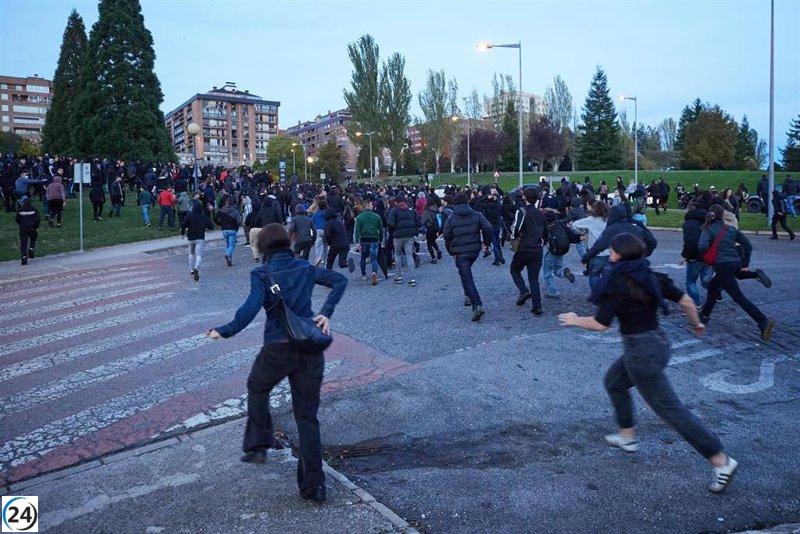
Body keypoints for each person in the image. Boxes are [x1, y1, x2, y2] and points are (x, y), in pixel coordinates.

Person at [558, 232, 738, 494]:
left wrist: (575, 319)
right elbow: (686, 301)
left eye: (612, 251)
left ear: (619, 255)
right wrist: (696, 323)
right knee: (614, 382)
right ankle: (627, 436)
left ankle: (720, 460)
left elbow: (600, 324)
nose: (610, 254)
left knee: (671, 410)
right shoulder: (651, 275)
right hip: (658, 343)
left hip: (641, 353)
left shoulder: (617, 283)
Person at [205, 224, 347, 504]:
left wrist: (225, 330)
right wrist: (326, 313)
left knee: (257, 386)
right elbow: (339, 280)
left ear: (263, 248)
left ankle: (260, 441)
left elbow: (249, 308)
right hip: (309, 348)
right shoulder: (304, 267)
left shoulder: (262, 273)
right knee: (307, 418)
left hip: (277, 348)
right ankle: (314, 486)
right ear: (288, 242)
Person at [699, 204, 775, 341]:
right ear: (722, 215)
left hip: (722, 265)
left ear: (710, 215)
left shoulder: (708, 228)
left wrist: (708, 255)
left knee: (738, 297)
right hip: (735, 262)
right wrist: (745, 264)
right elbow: (748, 245)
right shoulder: (730, 228)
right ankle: (704, 316)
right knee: (713, 287)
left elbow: (702, 245)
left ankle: (763, 321)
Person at [442, 193, 493, 321]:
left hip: (460, 251)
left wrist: (451, 251)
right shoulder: (477, 215)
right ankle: (468, 296)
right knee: (465, 274)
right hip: (474, 250)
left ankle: (477, 304)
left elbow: (446, 236)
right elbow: (488, 228)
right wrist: (486, 243)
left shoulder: (451, 219)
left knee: (467, 277)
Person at [509, 188, 546, 315]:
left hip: (524, 247)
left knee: (514, 270)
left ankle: (524, 291)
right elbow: (545, 232)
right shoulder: (541, 213)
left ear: (524, 197)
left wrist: (513, 237)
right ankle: (537, 306)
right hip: (537, 249)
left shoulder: (521, 211)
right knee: (534, 278)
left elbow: (516, 228)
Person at [572, 200, 610, 291]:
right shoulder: (609, 220)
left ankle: (598, 293)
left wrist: (582, 232)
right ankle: (608, 293)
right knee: (608, 277)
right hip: (609, 252)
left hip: (595, 252)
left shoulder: (591, 220)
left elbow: (574, 225)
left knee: (594, 276)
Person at [680, 203, 711, 307]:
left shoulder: (689, 224)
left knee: (690, 281)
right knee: (706, 279)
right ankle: (716, 292)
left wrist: (685, 255)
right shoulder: (707, 220)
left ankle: (696, 303)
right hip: (708, 254)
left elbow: (690, 242)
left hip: (695, 256)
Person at [541, 209, 577, 299]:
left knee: (547, 272)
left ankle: (553, 291)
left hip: (551, 251)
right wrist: (579, 238)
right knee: (558, 268)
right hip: (561, 250)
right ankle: (564, 273)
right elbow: (570, 234)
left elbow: (543, 240)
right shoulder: (560, 224)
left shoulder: (547, 228)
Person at [387, 194, 420, 286]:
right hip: (410, 235)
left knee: (397, 255)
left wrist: (392, 232)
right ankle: (412, 278)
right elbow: (418, 221)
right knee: (409, 255)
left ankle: (399, 277)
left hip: (398, 236)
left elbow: (390, 224)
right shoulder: (411, 210)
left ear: (396, 202)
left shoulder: (394, 211)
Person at [181, 200, 214, 281]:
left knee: (191, 253)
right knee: (199, 255)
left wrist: (182, 233)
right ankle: (196, 267)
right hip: (200, 238)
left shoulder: (189, 216)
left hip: (191, 238)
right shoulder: (203, 216)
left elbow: (183, 224)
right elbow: (211, 226)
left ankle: (191, 269)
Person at [353, 198, 383, 285]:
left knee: (363, 257)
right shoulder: (376, 217)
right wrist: (380, 239)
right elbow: (380, 229)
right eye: (371, 204)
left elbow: (357, 230)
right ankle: (374, 272)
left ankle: (364, 274)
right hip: (374, 238)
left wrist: (357, 241)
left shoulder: (359, 217)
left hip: (364, 239)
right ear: (368, 205)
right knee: (374, 258)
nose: (373, 206)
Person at [214, 197, 242, 267]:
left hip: (224, 229)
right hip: (232, 229)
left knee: (227, 245)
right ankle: (227, 255)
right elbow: (239, 221)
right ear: (233, 203)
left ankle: (229, 261)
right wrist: (237, 226)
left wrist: (220, 224)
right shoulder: (235, 211)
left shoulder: (221, 210)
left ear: (226, 202)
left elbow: (214, 218)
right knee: (232, 246)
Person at [16, 196, 40, 265]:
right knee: (33, 238)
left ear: (23, 202)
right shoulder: (34, 209)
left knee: (23, 243)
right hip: (33, 228)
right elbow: (38, 219)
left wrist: (21, 224)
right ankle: (31, 249)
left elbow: (17, 219)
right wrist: (36, 226)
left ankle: (24, 257)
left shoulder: (20, 210)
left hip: (23, 228)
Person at [421, 199, 442, 264]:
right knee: (433, 241)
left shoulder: (427, 211)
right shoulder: (436, 209)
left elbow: (423, 221)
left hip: (429, 228)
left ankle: (433, 258)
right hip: (437, 229)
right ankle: (438, 250)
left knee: (429, 244)